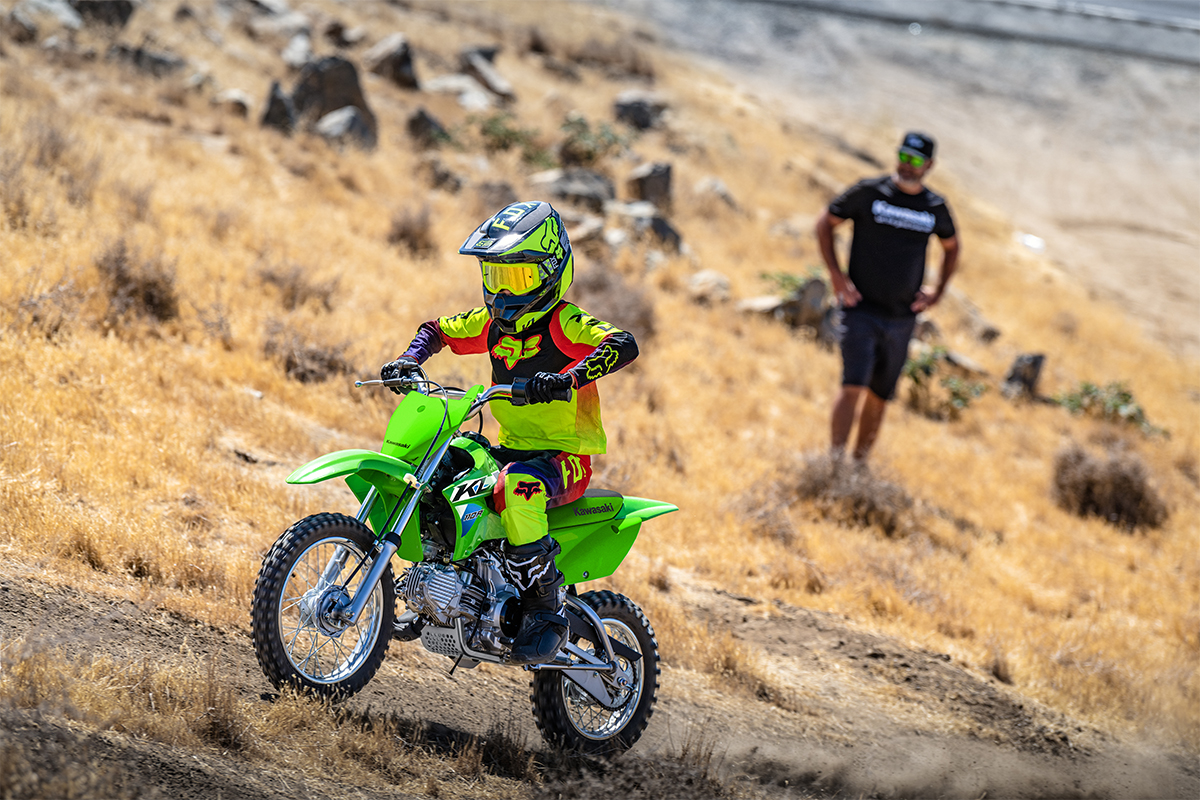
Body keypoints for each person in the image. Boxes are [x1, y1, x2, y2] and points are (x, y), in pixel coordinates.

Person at [379, 200, 638, 665]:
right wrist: (410, 358)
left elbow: (622, 343)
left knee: (517, 488)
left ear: (551, 271)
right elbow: (438, 329)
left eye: (517, 278)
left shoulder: (565, 322)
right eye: (496, 277)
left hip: (563, 458)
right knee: (446, 459)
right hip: (511, 447)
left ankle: (544, 607)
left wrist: (568, 378)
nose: (503, 291)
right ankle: (444, 574)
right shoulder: (493, 325)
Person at [815, 131, 960, 461]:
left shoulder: (935, 207)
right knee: (853, 385)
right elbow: (825, 223)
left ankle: (859, 465)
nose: (907, 166)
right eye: (903, 157)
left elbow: (952, 248)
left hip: (901, 318)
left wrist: (937, 292)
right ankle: (833, 464)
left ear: (929, 166)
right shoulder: (870, 192)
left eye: (916, 161)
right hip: (860, 308)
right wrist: (837, 278)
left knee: (880, 395)